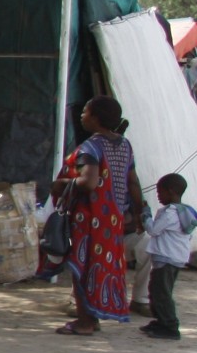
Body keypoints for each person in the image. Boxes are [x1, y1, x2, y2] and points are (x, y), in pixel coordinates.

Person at [45, 95, 145, 335]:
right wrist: (139, 211)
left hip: (90, 218)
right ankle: (93, 316)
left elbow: (89, 182)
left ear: (96, 118)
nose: (82, 115)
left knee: (84, 265)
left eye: (86, 112)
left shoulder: (91, 147)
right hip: (113, 219)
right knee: (102, 266)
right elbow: (133, 181)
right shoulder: (124, 145)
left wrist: (62, 184)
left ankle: (85, 322)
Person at [141, 173, 197, 341]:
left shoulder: (171, 213)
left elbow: (153, 230)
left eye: (160, 192)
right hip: (174, 258)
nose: (158, 196)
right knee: (158, 290)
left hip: (166, 258)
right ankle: (160, 321)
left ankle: (170, 326)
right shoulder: (184, 212)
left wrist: (146, 215)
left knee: (162, 293)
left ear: (171, 191)